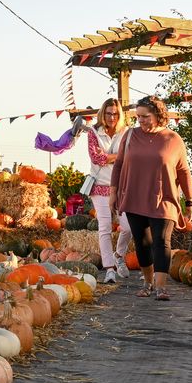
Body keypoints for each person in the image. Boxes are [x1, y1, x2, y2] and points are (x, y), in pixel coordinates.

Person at [109, 95, 192, 300]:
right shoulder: (130, 136)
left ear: (158, 115)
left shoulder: (173, 139)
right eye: (138, 117)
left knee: (162, 241)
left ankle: (161, 287)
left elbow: (183, 171)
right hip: (133, 196)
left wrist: (190, 201)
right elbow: (119, 165)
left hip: (163, 198)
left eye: (145, 116)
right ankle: (147, 283)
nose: (141, 121)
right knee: (142, 243)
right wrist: (113, 193)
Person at [79, 97, 135, 281]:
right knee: (104, 228)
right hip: (100, 186)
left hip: (122, 185)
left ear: (120, 115)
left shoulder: (126, 132)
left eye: (115, 114)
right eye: (109, 113)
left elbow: (130, 156)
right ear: (103, 114)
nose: (112, 117)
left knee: (127, 227)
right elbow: (97, 159)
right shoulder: (93, 132)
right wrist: (119, 155)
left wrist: (110, 156)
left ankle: (119, 255)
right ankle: (109, 268)